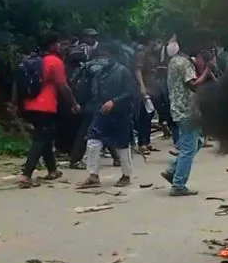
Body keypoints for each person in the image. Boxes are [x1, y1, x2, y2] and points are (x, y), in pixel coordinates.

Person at [16, 34, 80, 188]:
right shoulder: (54, 61)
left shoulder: (29, 61)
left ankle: (52, 170)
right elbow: (62, 86)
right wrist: (74, 103)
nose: (60, 46)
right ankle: (26, 175)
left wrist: (14, 103)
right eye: (58, 44)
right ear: (52, 46)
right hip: (46, 106)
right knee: (40, 139)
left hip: (28, 105)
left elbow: (16, 83)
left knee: (45, 137)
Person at [76, 43, 138, 189]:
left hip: (120, 113)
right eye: (100, 56)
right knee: (92, 141)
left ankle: (126, 175)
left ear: (113, 56)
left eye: (105, 55)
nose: (102, 59)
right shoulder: (99, 73)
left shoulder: (123, 72)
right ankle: (93, 175)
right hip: (101, 112)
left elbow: (130, 93)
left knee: (122, 145)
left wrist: (114, 102)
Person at [160, 34, 215, 196]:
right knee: (188, 149)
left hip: (178, 108)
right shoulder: (185, 64)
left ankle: (173, 170)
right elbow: (194, 86)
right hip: (187, 110)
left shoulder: (174, 61)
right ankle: (178, 185)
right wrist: (207, 70)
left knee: (196, 142)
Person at [133, 36, 160, 156]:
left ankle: (147, 142)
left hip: (153, 87)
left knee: (149, 115)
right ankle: (141, 143)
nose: (157, 44)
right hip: (145, 88)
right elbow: (137, 71)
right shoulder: (141, 54)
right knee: (143, 116)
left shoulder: (152, 55)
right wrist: (142, 87)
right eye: (156, 41)